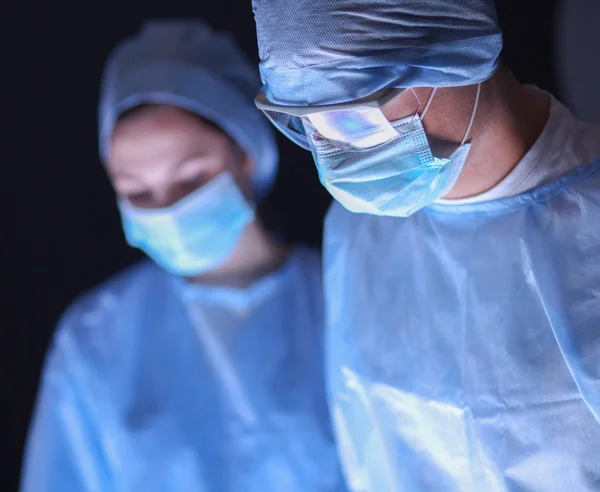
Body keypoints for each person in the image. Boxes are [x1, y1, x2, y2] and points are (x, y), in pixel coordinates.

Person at [251, 0, 600, 490]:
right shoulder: (359, 232)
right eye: (308, 121)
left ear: (461, 54)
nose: (336, 155)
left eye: (354, 114)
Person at [21, 20, 345, 492]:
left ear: (246, 157)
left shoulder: (344, 302)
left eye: (189, 180)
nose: (168, 209)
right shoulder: (97, 336)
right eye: (137, 191)